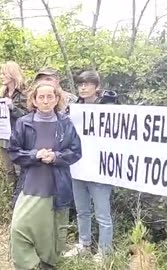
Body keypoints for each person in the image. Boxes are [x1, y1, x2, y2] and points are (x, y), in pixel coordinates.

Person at [8, 81, 82, 270]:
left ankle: (47, 264)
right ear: (34, 99)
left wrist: (56, 156)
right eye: (41, 97)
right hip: (32, 184)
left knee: (51, 232)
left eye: (50, 96)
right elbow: (14, 152)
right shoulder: (24, 122)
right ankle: (29, 264)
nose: (46, 101)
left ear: (57, 99)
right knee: (18, 228)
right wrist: (35, 155)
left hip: (57, 186)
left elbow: (75, 152)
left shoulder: (65, 123)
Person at [63, 70, 118, 262]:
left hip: (100, 170)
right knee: (82, 211)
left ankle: (105, 251)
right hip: (78, 168)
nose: (83, 88)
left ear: (97, 87)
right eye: (80, 85)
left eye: (87, 84)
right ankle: (83, 244)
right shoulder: (73, 109)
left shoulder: (108, 107)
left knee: (103, 214)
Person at [0, 61, 28, 206]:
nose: (1, 76)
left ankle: (21, 202)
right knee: (9, 170)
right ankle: (10, 199)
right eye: (0, 73)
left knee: (21, 170)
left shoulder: (24, 92)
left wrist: (12, 107)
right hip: (4, 136)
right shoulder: (2, 92)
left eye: (4, 73)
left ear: (13, 74)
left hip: (18, 138)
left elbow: (28, 116)